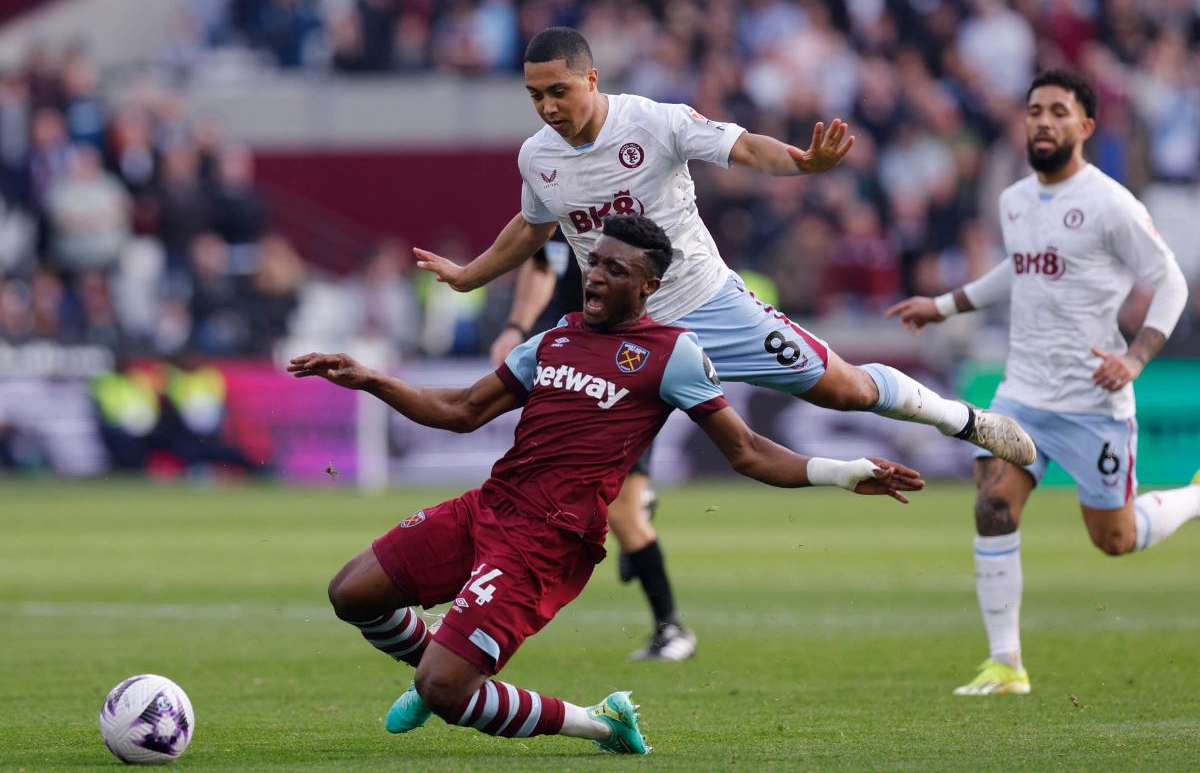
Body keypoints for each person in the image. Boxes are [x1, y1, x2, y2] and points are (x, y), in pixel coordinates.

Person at [290, 214, 924, 753]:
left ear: (649, 286)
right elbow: (460, 411)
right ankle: (439, 663)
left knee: (447, 692)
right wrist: (370, 378)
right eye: (594, 263)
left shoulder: (672, 353)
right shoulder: (556, 337)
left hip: (547, 541)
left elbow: (750, 452)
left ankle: (599, 722)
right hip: (489, 507)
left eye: (615, 271)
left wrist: (845, 471)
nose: (594, 275)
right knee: (351, 593)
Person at [412, 26, 1036, 487]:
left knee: (844, 389)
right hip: (617, 332)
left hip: (707, 305)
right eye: (535, 96)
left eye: (558, 91)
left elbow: (742, 148)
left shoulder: (654, 123)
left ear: (591, 80)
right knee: (551, 466)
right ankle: (478, 597)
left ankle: (965, 422)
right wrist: (468, 277)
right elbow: (531, 227)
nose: (548, 107)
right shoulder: (537, 158)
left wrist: (802, 163)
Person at [886, 69, 1198, 696]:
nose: (1044, 122)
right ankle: (1007, 665)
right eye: (1034, 110)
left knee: (1115, 538)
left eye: (1059, 111)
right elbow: (1019, 271)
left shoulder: (1112, 204)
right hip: (1021, 391)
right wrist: (943, 305)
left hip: (1093, 401)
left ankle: (1195, 498)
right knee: (994, 505)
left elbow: (1171, 283)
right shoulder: (1015, 200)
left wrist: (1135, 359)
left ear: (1084, 127)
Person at [491, 234, 692, 661]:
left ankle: (672, 629)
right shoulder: (561, 202)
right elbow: (544, 263)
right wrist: (517, 327)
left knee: (621, 513)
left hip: (623, 371)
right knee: (586, 502)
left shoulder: (636, 217)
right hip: (573, 364)